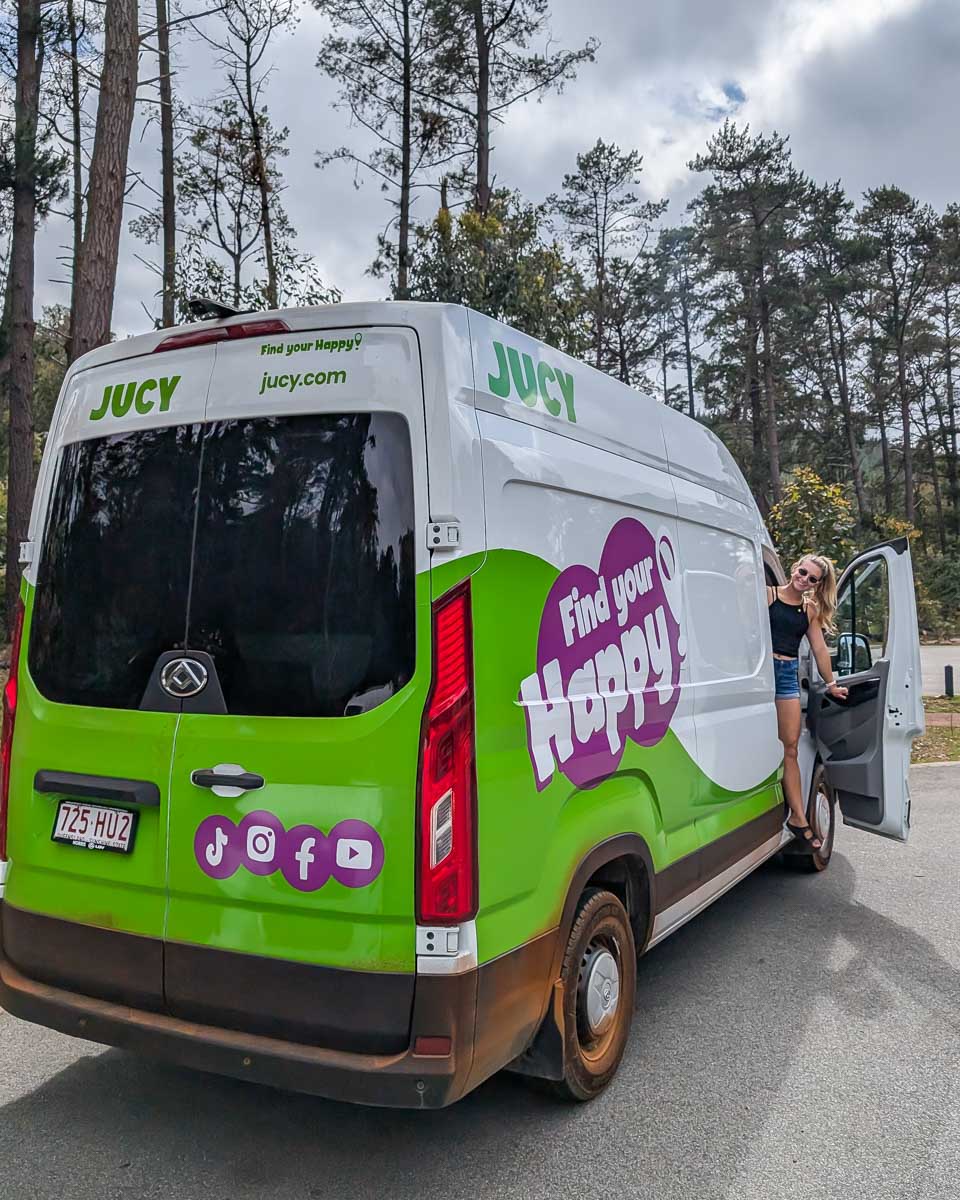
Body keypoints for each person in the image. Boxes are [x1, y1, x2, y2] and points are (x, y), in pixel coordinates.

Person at [767, 555, 848, 852]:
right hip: (760, 674)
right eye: (803, 572)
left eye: (813, 579)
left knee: (789, 747)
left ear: (817, 585)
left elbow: (819, 649)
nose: (805, 579)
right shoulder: (767, 595)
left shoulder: (809, 609)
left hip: (787, 676)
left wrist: (832, 685)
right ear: (794, 568)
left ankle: (798, 818)